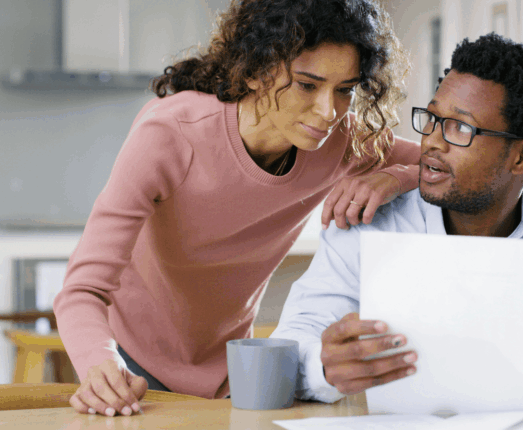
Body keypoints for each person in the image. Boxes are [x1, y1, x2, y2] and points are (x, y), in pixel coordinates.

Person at [53, 0, 421, 417]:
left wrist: (394, 177)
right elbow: (82, 289)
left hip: (235, 368)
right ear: (254, 70)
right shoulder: (170, 134)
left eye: (345, 90)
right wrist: (99, 364)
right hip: (132, 368)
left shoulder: (342, 141)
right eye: (306, 84)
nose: (328, 111)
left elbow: (444, 164)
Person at [270, 33, 523, 403]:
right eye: (433, 119)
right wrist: (325, 367)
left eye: (461, 128)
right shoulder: (369, 224)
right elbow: (288, 347)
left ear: (521, 157)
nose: (432, 142)